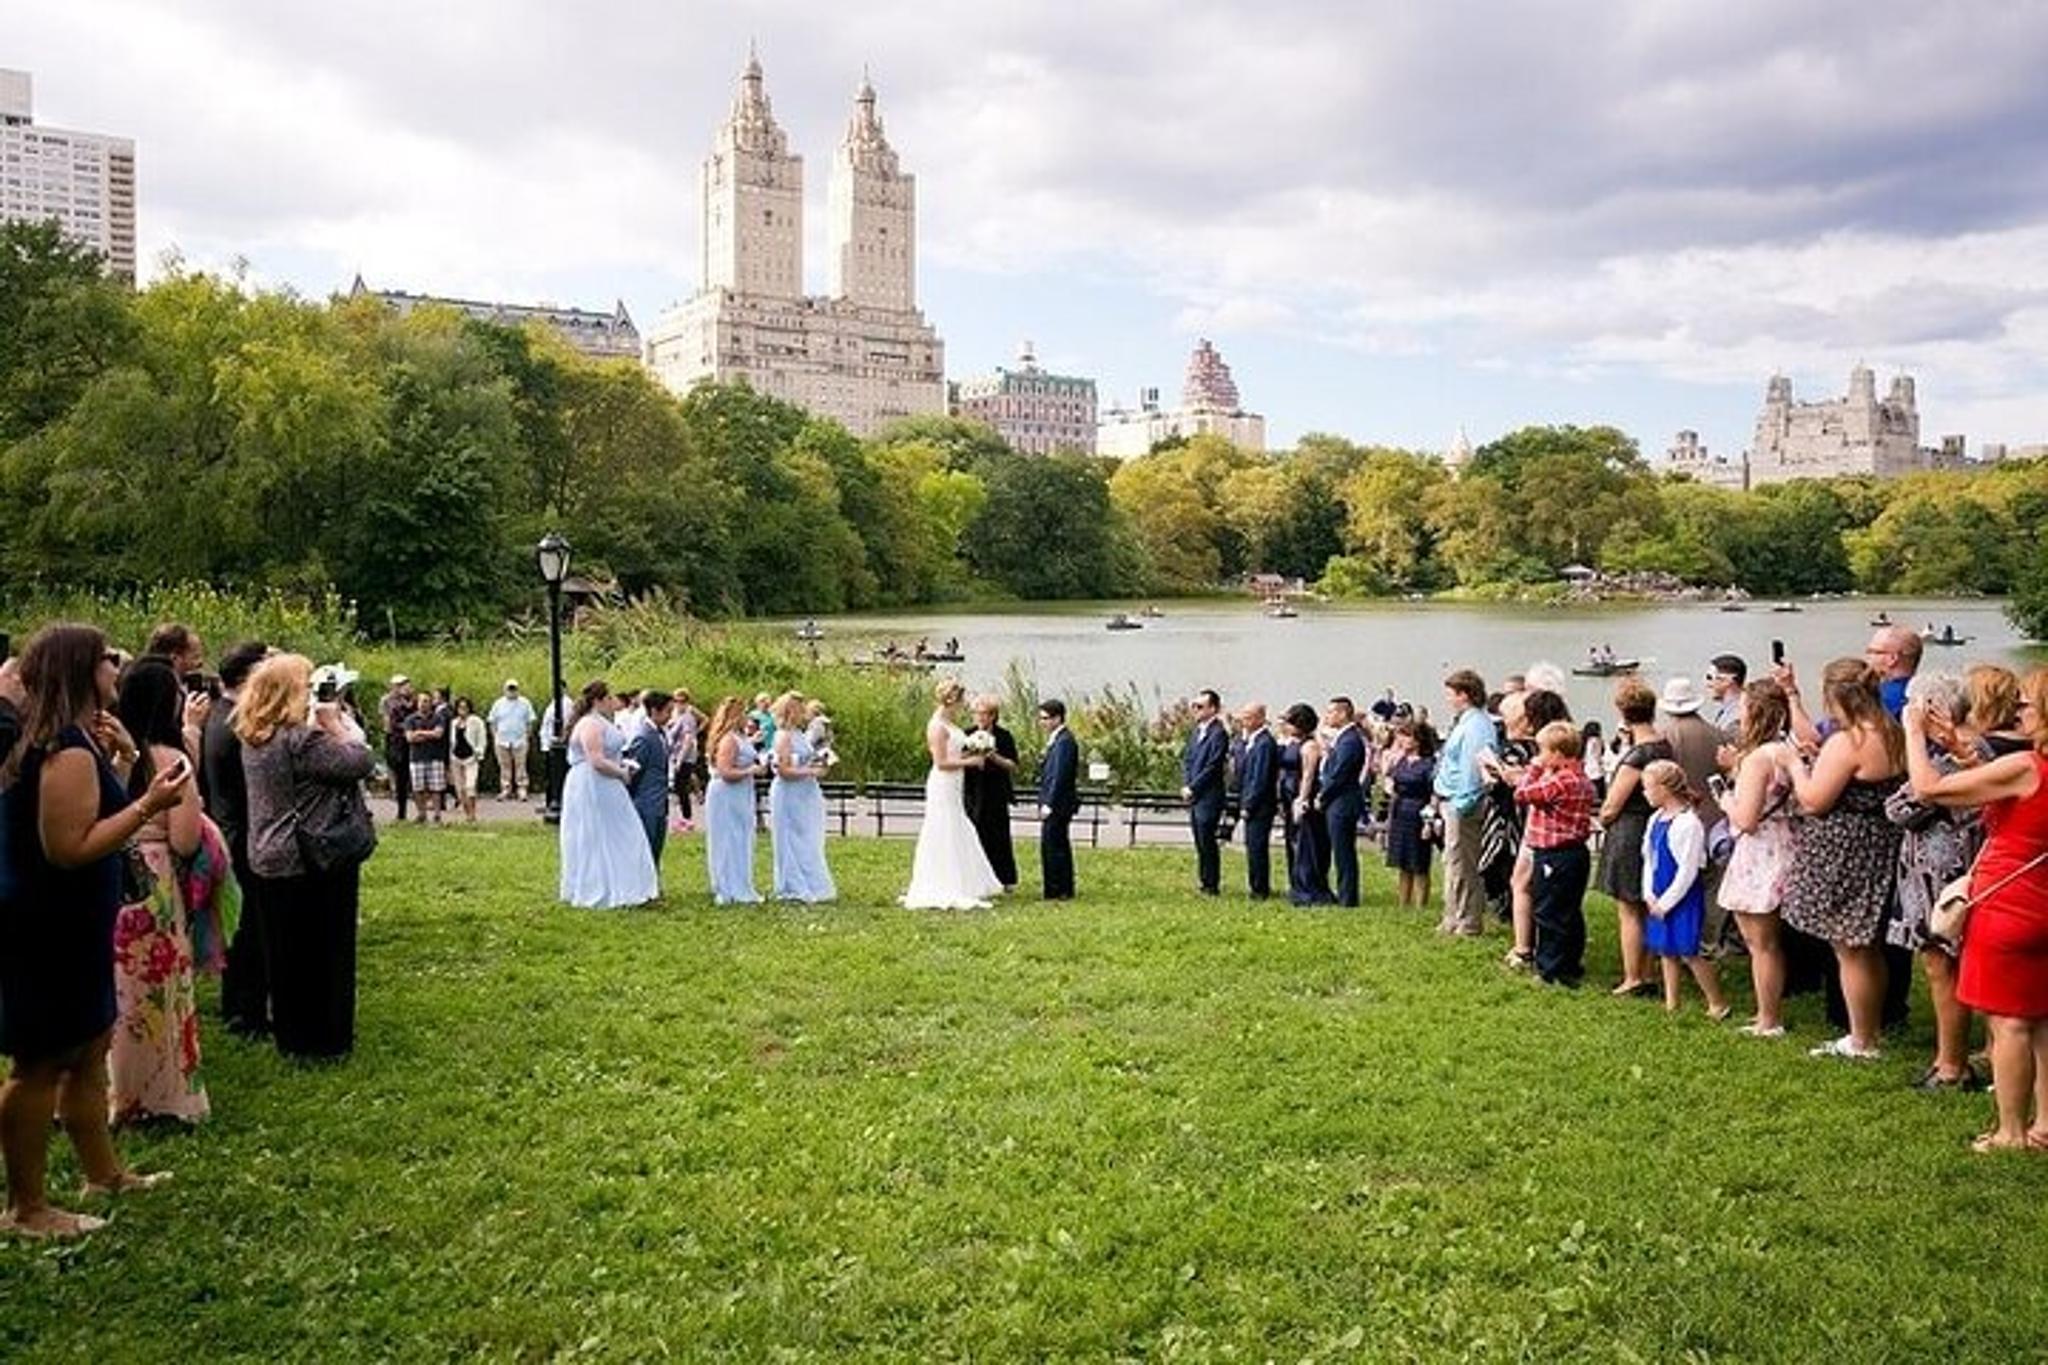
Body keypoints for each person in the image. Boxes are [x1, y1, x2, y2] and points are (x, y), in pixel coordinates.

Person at [1, 625, 189, 1238]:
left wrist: (127, 763)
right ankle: (27, 1208)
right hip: (47, 927)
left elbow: (93, 808)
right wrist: (148, 805)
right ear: (82, 670)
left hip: (77, 922)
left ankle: (103, 1175)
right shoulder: (65, 748)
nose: (117, 667)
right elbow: (69, 846)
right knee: (39, 1063)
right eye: (108, 659)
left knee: (87, 1049)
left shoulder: (82, 741)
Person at [1902, 667, 2048, 1152]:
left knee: (2009, 1023)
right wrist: (1960, 749)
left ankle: (2010, 1132)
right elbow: (2002, 795)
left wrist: (1913, 732)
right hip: (2039, 898)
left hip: (2008, 902)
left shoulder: (2028, 765)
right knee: (2040, 1018)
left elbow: (1927, 788)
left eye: (2027, 702)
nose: (2018, 710)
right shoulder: (2031, 767)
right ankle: (2044, 1124)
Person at [238, 654, 377, 1059]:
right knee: (325, 949)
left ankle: (292, 1035)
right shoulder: (301, 740)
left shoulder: (254, 735)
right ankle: (326, 1038)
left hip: (268, 850)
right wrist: (336, 724)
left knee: (285, 952)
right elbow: (360, 762)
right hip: (311, 855)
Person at [1778, 659, 1905, 1061]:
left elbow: (1814, 801)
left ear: (1836, 696)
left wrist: (1794, 766)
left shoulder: (1848, 741)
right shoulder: (1893, 731)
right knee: (1867, 946)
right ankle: (1871, 1027)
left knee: (1849, 948)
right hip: (1880, 842)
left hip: (1845, 850)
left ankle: (1861, 1040)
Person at [108, 658, 210, 1125]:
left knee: (117, 990)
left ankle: (110, 1089)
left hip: (108, 872)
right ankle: (160, 1094)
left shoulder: (104, 752)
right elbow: (185, 839)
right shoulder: (171, 760)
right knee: (158, 988)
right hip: (153, 878)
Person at [1886, 674, 1987, 1091]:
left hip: (1944, 879)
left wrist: (1913, 734)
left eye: (1912, 705)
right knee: (1947, 966)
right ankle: (1956, 1058)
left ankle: (1951, 1065)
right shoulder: (1971, 748)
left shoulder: (1956, 756)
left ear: (1930, 709)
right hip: (1946, 872)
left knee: (1942, 966)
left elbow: (1904, 806)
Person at [1719, 680, 1799, 1038]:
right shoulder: (1787, 750)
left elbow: (1747, 819)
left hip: (1759, 849)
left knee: (1760, 943)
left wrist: (1725, 800)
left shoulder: (1757, 760)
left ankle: (1769, 1018)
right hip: (1784, 840)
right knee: (1766, 942)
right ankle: (1766, 1012)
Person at [203, 641, 271, 1038]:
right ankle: (247, 1014)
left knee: (242, 927)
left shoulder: (220, 714)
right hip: (242, 834)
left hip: (232, 831)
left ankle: (240, 1005)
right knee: (249, 930)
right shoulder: (235, 724)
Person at [1596, 678, 1672, 996]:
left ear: (1623, 713)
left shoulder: (1637, 757)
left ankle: (1633, 977)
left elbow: (1612, 805)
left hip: (1629, 830)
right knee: (1647, 902)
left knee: (1629, 908)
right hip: (1655, 825)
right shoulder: (1664, 747)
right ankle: (1650, 970)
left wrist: (1602, 818)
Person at [556, 680, 660, 909]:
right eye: (609, 697)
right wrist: (622, 773)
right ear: (598, 700)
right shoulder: (590, 724)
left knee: (620, 831)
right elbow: (596, 760)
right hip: (593, 783)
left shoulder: (601, 722)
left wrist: (622, 766)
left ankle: (626, 883)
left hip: (606, 783)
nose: (613, 701)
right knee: (597, 832)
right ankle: (600, 886)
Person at [1640, 761, 1730, 1018]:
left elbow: (1688, 871)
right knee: (1665, 948)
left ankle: (1717, 1003)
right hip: (1658, 893)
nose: (1644, 793)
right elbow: (1649, 858)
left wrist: (1666, 902)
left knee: (1688, 950)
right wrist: (1649, 893)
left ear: (1664, 789)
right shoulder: (1655, 819)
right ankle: (1672, 1003)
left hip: (1682, 897)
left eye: (1648, 787)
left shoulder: (1688, 824)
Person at [902, 681, 1002, 910]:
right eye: (960, 700)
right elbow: (941, 762)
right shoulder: (937, 726)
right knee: (944, 824)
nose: (963, 704)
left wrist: (977, 750)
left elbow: (954, 752)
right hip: (943, 782)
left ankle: (965, 879)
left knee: (957, 822)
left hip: (955, 781)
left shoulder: (949, 724)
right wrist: (971, 761)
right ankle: (944, 881)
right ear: (950, 700)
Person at [1514, 721, 1598, 986]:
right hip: (1576, 854)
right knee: (1569, 910)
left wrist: (1534, 768)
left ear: (1558, 753)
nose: (1540, 756)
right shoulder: (1581, 778)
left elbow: (1522, 794)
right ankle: (1570, 963)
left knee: (1549, 911)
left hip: (1554, 854)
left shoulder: (1561, 782)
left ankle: (1550, 969)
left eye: (1543, 751)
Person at [1434, 670, 1492, 936]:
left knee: (1463, 863)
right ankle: (1452, 916)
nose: (1447, 700)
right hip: (1452, 799)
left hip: (1463, 802)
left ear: (1464, 695)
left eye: (1450, 694)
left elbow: (1472, 768)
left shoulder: (1476, 726)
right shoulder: (1465, 722)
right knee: (1453, 861)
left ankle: (1467, 920)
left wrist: (1463, 803)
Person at [769, 693, 835, 903]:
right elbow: (783, 770)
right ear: (790, 711)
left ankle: (812, 879)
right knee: (791, 836)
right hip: (789, 793)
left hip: (806, 792)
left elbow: (805, 759)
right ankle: (793, 883)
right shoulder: (783, 736)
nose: (803, 712)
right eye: (799, 709)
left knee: (808, 835)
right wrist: (810, 771)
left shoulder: (800, 734)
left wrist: (821, 763)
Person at [703, 697, 764, 905]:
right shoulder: (728, 740)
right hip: (726, 794)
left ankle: (741, 881)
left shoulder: (740, 737)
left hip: (740, 792)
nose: (748, 718)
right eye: (744, 713)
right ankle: (728, 885)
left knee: (741, 836)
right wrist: (751, 770)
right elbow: (725, 772)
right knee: (728, 837)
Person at [962, 695, 1020, 891]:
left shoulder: (1004, 736)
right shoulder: (967, 734)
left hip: (996, 791)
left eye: (984, 714)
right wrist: (972, 754)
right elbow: (958, 757)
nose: (979, 718)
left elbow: (1013, 765)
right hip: (973, 790)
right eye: (976, 713)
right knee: (974, 831)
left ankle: (1004, 878)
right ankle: (974, 876)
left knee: (998, 835)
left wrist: (993, 756)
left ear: (993, 715)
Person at [1381, 719, 1437, 908]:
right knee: (1403, 862)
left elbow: (1433, 795)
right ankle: (1403, 904)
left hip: (1418, 811)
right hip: (1400, 810)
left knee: (1419, 862)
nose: (1402, 740)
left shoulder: (1428, 764)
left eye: (1407, 736)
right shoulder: (1402, 761)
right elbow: (1391, 781)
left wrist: (1429, 822)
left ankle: (1421, 905)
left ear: (1418, 740)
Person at [1283, 703, 1334, 906]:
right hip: (1288, 794)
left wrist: (1302, 799)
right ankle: (1297, 885)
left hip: (1303, 797)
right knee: (1294, 841)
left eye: (1290, 722)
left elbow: (1308, 775)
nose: (1287, 726)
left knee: (1307, 843)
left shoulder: (1310, 745)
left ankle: (1310, 888)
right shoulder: (1292, 743)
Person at [1319, 697, 1367, 907]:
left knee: (1343, 851)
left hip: (1343, 801)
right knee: (1340, 850)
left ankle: (1348, 897)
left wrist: (1322, 795)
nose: (1327, 716)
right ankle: (1344, 892)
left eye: (1331, 712)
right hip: (1338, 800)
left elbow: (1339, 774)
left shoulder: (1350, 740)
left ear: (1342, 713)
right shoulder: (1343, 738)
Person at [1182, 689, 1227, 896]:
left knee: (1207, 840)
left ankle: (1211, 884)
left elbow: (1213, 766)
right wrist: (1186, 784)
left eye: (1200, 706)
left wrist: (1194, 787)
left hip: (1209, 795)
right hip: (1194, 795)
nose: (1195, 710)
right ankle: (1204, 880)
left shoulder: (1218, 733)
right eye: (1194, 706)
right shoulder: (1196, 731)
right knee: (1199, 840)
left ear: (1213, 709)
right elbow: (1188, 760)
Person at [1036, 700, 1079, 901]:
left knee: (1054, 846)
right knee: (1054, 844)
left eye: (1045, 718)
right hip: (1057, 802)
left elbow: (1059, 776)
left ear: (1058, 718)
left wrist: (1049, 803)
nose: (1042, 722)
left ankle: (1057, 889)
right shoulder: (1059, 739)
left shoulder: (1064, 742)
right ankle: (1061, 887)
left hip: (1058, 804)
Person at [1234, 704, 1278, 900]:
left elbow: (1260, 778)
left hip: (1260, 805)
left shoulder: (1264, 743)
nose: (1244, 721)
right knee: (1252, 846)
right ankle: (1255, 884)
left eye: (1248, 717)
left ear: (1260, 718)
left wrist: (1249, 804)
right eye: (1243, 717)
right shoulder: (1249, 741)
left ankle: (1259, 889)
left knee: (1257, 847)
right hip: (1251, 800)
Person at [624, 691, 674, 866]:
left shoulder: (660, 733)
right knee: (646, 848)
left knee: (656, 847)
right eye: (668, 711)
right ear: (654, 711)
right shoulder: (643, 737)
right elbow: (633, 772)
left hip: (659, 802)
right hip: (646, 802)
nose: (670, 716)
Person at [402, 691, 446, 825]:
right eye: (421, 701)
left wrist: (419, 732)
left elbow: (438, 735)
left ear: (431, 703)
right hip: (416, 757)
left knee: (436, 788)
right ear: (417, 703)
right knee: (418, 788)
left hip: (435, 757)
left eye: (426, 701)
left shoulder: (438, 718)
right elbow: (409, 738)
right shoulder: (410, 719)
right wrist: (429, 734)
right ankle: (422, 814)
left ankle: (437, 815)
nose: (423, 704)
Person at [487, 681, 536, 801]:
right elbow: (492, 721)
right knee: (504, 766)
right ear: (505, 689)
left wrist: (527, 736)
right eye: (510, 689)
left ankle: (522, 788)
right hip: (502, 740)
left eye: (514, 689)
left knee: (521, 766)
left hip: (520, 740)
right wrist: (495, 737)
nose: (512, 691)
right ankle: (506, 789)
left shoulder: (525, 703)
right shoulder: (498, 703)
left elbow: (530, 721)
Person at [379, 675, 414, 821]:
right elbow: (386, 720)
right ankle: (399, 804)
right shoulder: (387, 701)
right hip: (395, 739)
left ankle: (404, 805)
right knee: (396, 769)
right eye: (400, 685)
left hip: (409, 739)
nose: (405, 688)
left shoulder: (412, 701)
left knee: (405, 774)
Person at [447, 697, 487, 823]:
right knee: (460, 789)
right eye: (460, 707)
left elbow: (482, 739)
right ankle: (466, 812)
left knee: (470, 786)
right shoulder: (454, 723)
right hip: (456, 758)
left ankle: (472, 814)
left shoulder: (476, 721)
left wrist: (479, 753)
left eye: (465, 707)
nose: (462, 710)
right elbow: (451, 741)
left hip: (471, 758)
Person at [1706, 655, 1748, 738]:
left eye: (1710, 677)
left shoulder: (1739, 714)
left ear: (1727, 680)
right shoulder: (1726, 710)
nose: (1708, 684)